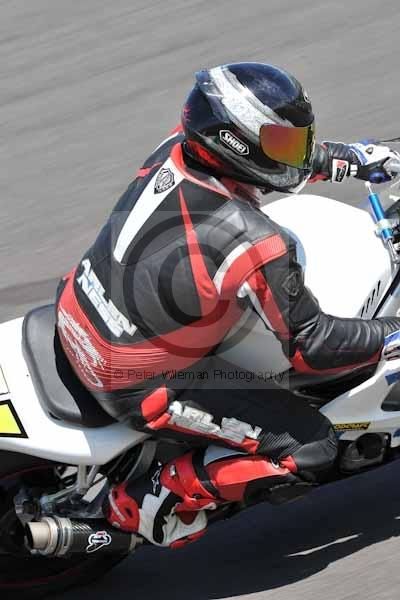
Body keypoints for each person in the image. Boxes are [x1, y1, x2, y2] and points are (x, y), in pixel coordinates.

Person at [56, 62, 400, 548]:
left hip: (80, 305)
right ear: (235, 143)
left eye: (298, 140)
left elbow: (272, 158)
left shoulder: (175, 148)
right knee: (311, 445)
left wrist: (350, 159)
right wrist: (391, 331)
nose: (296, 151)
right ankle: (135, 505)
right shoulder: (254, 240)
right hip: (136, 380)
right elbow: (314, 346)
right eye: (285, 143)